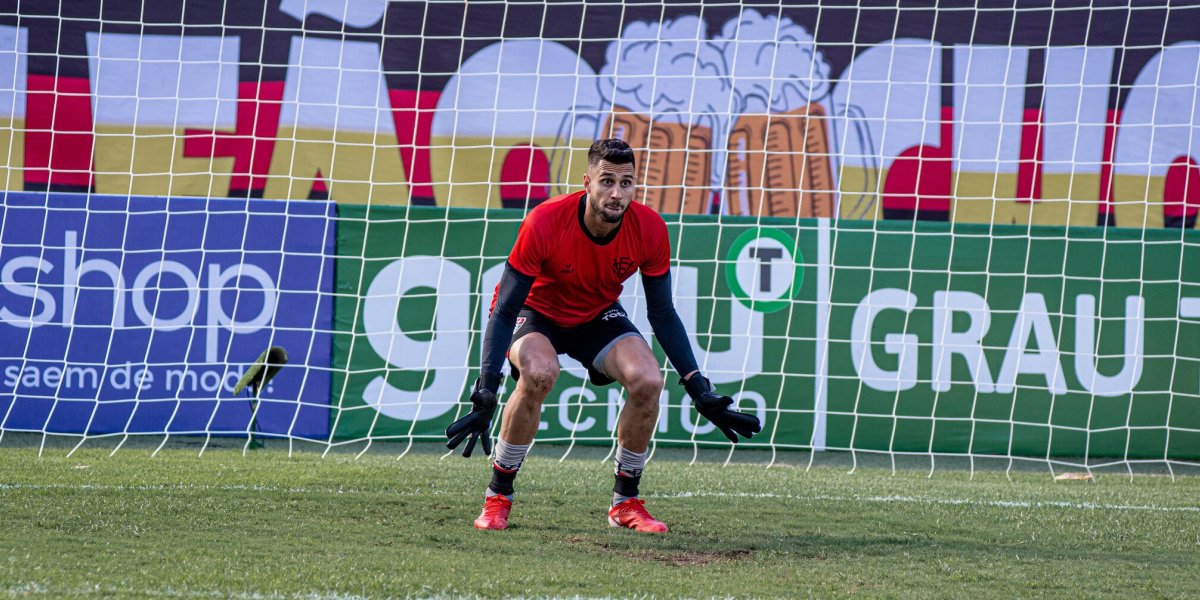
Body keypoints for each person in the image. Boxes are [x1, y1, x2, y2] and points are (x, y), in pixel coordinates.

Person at [445, 138, 761, 533]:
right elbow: (506, 308)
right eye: (607, 181)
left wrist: (700, 388)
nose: (617, 192)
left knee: (648, 381)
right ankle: (498, 497)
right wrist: (487, 386)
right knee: (540, 374)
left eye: (626, 183)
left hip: (597, 315)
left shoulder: (649, 228)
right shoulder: (544, 221)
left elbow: (662, 313)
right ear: (587, 182)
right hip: (536, 312)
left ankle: (624, 504)